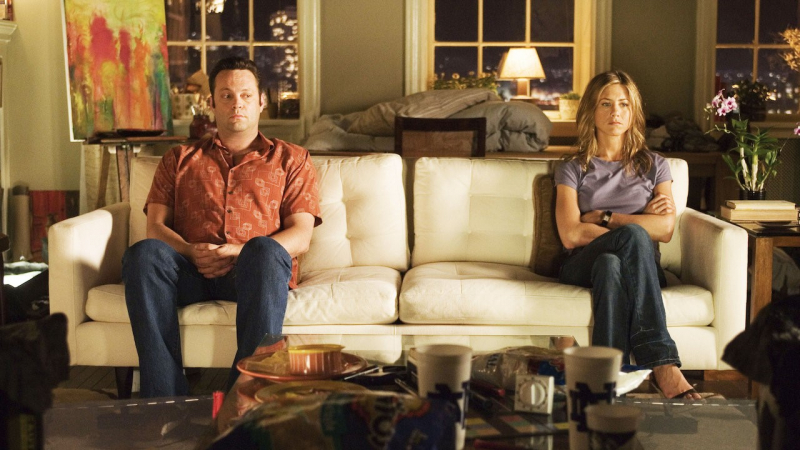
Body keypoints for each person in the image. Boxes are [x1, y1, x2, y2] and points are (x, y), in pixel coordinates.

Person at [122, 57, 321, 398]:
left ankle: (244, 397)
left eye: (246, 95)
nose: (237, 103)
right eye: (226, 95)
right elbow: (155, 228)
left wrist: (241, 251)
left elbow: (301, 235)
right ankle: (164, 401)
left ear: (261, 102)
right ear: (212, 103)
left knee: (265, 250)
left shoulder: (293, 159)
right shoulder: (178, 159)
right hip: (190, 272)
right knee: (143, 255)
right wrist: (190, 251)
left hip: (254, 273)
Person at [553, 70, 701, 400]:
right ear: (591, 110)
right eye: (606, 104)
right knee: (632, 236)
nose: (615, 112)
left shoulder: (655, 165)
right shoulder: (573, 167)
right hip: (580, 266)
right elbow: (571, 234)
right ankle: (662, 363)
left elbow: (665, 230)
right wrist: (639, 222)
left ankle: (608, 379)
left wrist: (606, 217)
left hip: (639, 269)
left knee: (611, 264)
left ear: (633, 111)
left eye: (623, 104)